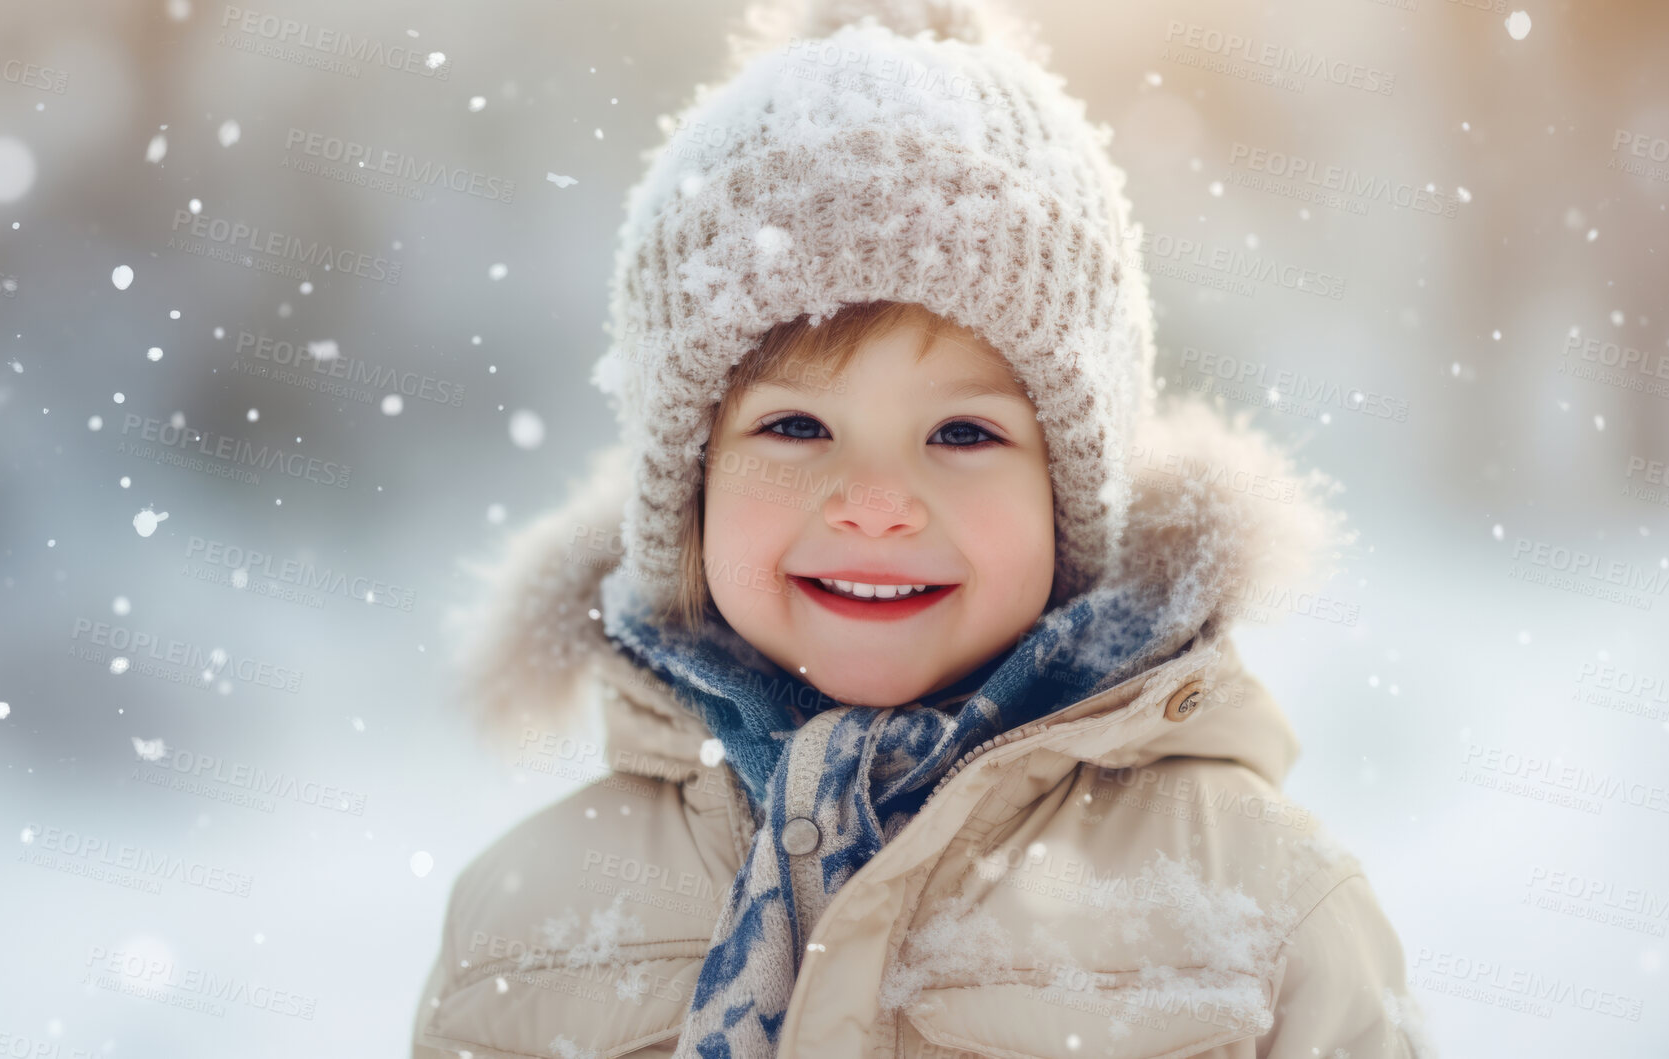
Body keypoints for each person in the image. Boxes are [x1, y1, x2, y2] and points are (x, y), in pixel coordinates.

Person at [414, 1, 1431, 1055]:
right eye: (796, 423)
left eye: (960, 430)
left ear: (1071, 497)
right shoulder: (525, 929)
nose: (875, 501)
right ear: (687, 485)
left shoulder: (1253, 913)